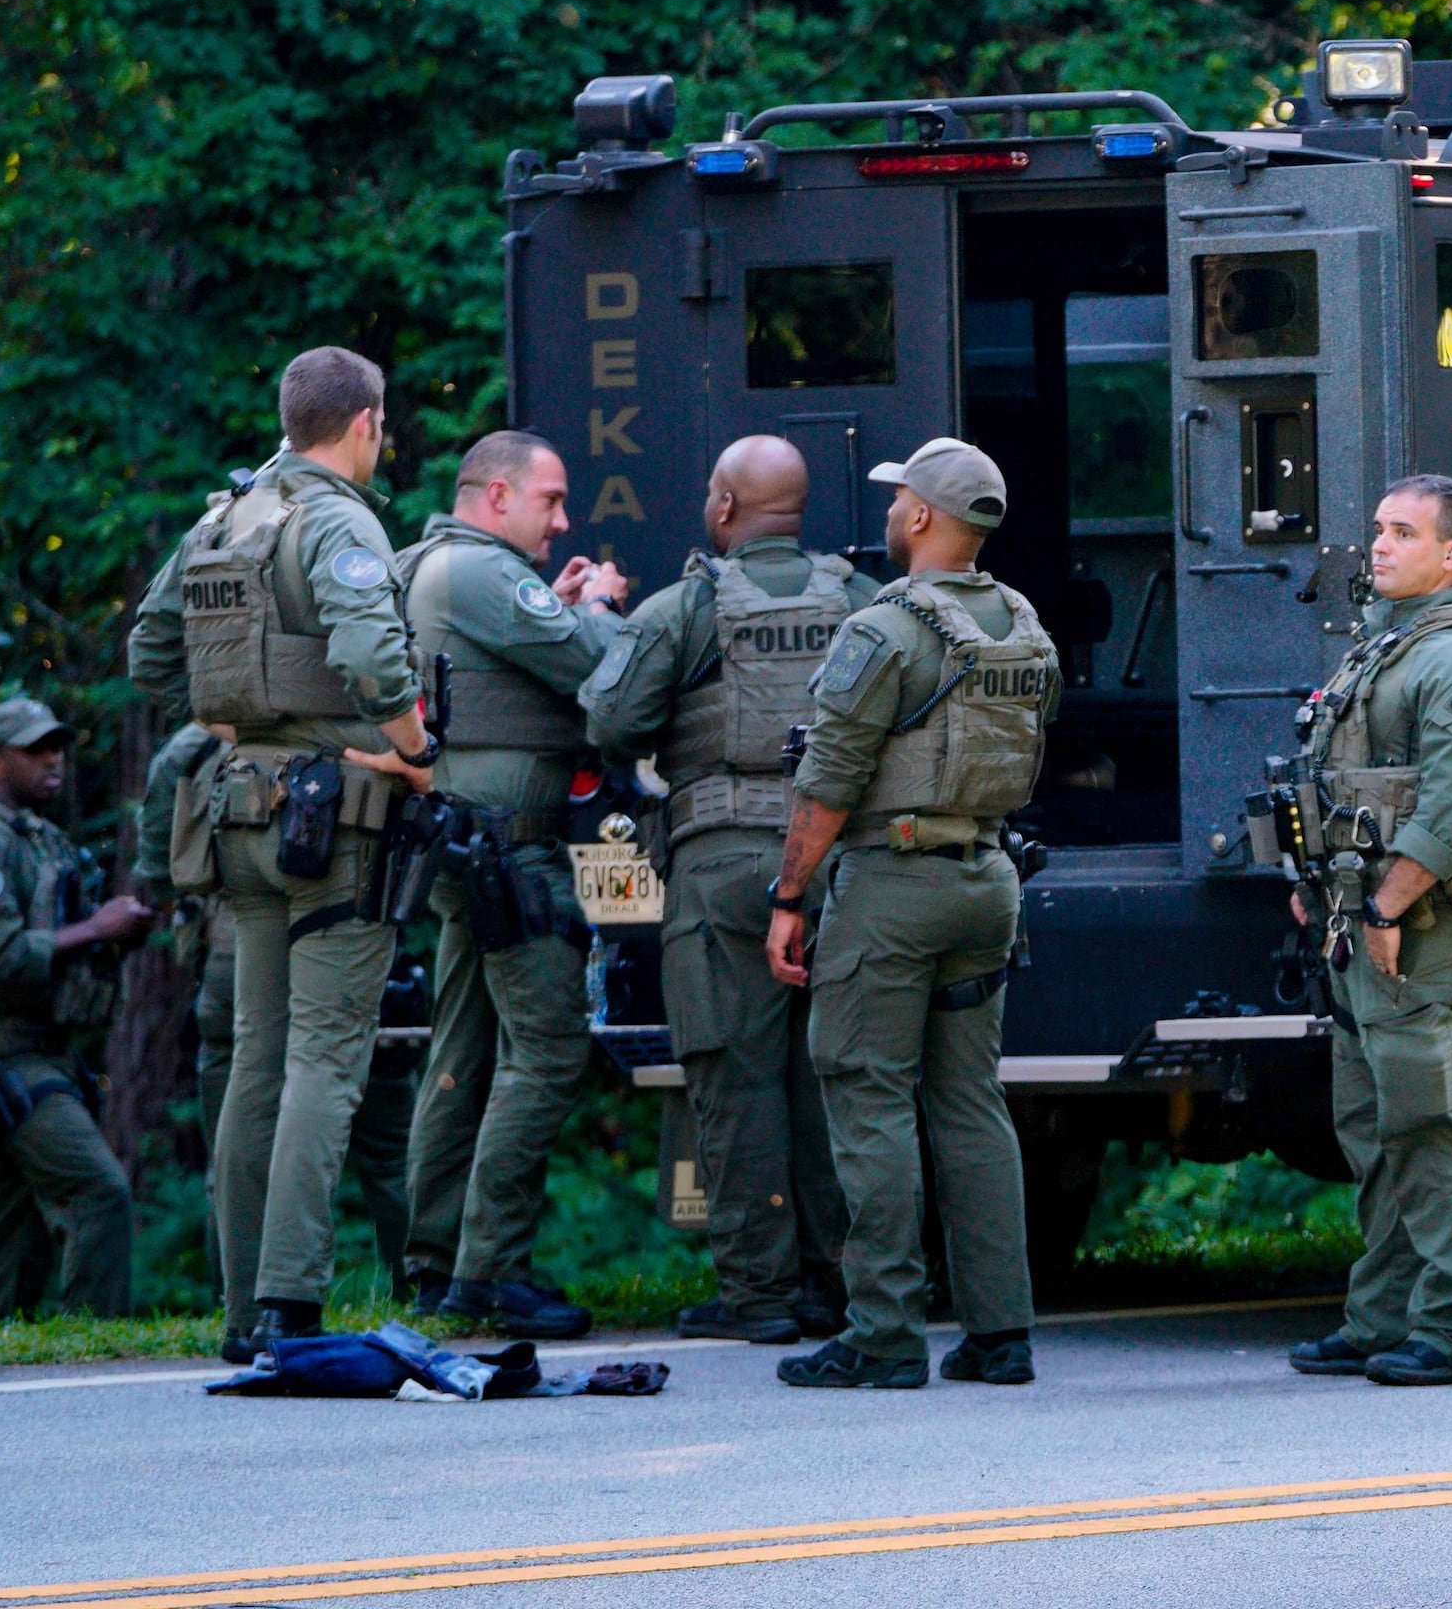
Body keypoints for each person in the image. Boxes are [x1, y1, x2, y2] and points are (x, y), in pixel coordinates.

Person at [125, 346, 438, 1357]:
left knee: (256, 1054)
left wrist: (240, 723)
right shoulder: (339, 518)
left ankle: (237, 1313)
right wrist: (415, 755)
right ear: (366, 424)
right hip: (331, 815)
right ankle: (291, 1302)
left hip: (237, 817)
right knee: (325, 1061)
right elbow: (369, 654)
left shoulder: (227, 515)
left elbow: (149, 652)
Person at [764, 438, 1053, 1391]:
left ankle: (883, 1335)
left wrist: (791, 894)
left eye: (899, 501)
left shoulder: (884, 630)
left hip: (894, 887)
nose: (890, 514)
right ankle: (999, 1332)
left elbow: (831, 779)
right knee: (970, 1103)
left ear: (924, 517)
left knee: (868, 1094)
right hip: (987, 878)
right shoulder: (1022, 624)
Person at [580, 435, 854, 1344]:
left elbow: (611, 720)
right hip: (834, 869)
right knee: (829, 1080)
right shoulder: (857, 600)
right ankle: (835, 1282)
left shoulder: (685, 608)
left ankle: (760, 1296)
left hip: (722, 865)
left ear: (727, 508)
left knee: (734, 1081)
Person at [1285, 472, 1452, 1390]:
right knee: (1374, 1123)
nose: (1379, 546)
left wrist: (1383, 907)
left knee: (1428, 1123)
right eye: (1378, 528)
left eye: (1403, 534)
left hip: (1421, 927)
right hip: (1363, 922)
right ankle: (1379, 1316)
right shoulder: (1386, 648)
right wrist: (1321, 891)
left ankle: (1451, 1331)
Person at [393, 431, 628, 1339]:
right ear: (495, 497)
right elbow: (593, 666)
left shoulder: (445, 567)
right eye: (550, 501)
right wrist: (600, 607)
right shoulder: (480, 571)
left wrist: (557, 607)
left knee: (463, 1054)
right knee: (550, 1051)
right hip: (506, 854)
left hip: (468, 848)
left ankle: (436, 1262)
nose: (562, 520)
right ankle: (488, 1276)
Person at [149, 721, 419, 1299]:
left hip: (230, 945)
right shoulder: (353, 722)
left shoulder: (197, 742)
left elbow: (157, 862)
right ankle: (404, 1287)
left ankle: (239, 1300)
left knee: (248, 1098)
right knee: (375, 1135)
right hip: (324, 913)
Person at [0, 700, 152, 1313]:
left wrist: (119, 931)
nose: (52, 757)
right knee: (100, 1192)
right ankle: (97, 1342)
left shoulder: (42, 838)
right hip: (13, 1055)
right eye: (34, 747)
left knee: (15, 1232)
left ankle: (27, 1366)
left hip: (49, 1052)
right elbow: (5, 955)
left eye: (57, 745)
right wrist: (97, 930)